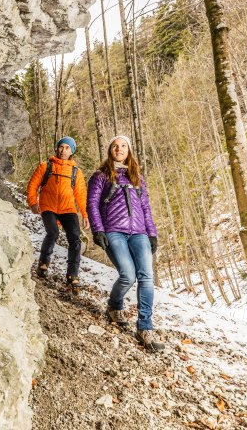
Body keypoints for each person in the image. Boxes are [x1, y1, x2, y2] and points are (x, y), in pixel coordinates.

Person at [87, 135, 164, 351]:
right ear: (109, 150)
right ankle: (114, 305)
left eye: (123, 146)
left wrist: (152, 233)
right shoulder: (100, 176)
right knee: (128, 276)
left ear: (128, 150)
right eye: (115, 146)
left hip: (139, 233)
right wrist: (98, 230)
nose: (119, 149)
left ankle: (145, 327)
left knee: (147, 276)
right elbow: (91, 204)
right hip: (113, 232)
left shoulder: (137, 178)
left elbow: (146, 209)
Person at [26, 136, 89, 291]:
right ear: (57, 148)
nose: (63, 150)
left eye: (67, 148)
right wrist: (33, 203)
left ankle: (72, 275)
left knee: (75, 239)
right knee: (53, 232)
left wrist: (85, 214)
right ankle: (43, 263)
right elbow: (33, 185)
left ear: (72, 151)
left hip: (68, 210)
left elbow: (81, 194)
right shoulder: (45, 166)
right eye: (61, 147)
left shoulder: (76, 172)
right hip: (48, 207)